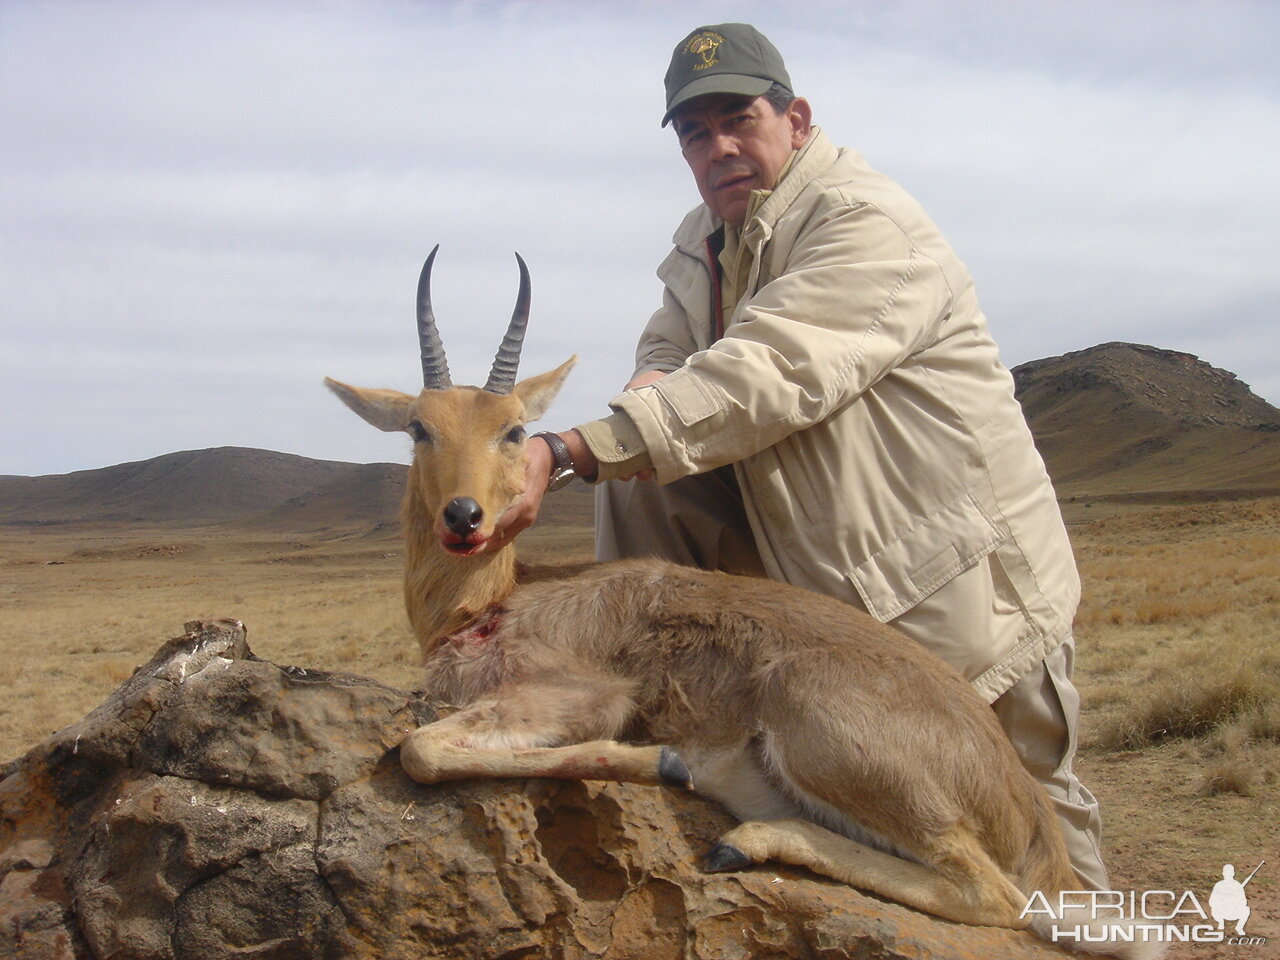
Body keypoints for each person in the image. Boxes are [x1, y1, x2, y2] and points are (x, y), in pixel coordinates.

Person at [494, 22, 1108, 890]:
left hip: (956, 592)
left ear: (797, 116)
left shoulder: (867, 222)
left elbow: (771, 370)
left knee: (1036, 821)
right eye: (695, 134)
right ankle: (674, 694)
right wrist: (638, 409)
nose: (720, 148)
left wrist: (573, 446)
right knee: (637, 482)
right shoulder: (706, 241)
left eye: (738, 119)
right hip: (831, 605)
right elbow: (668, 352)